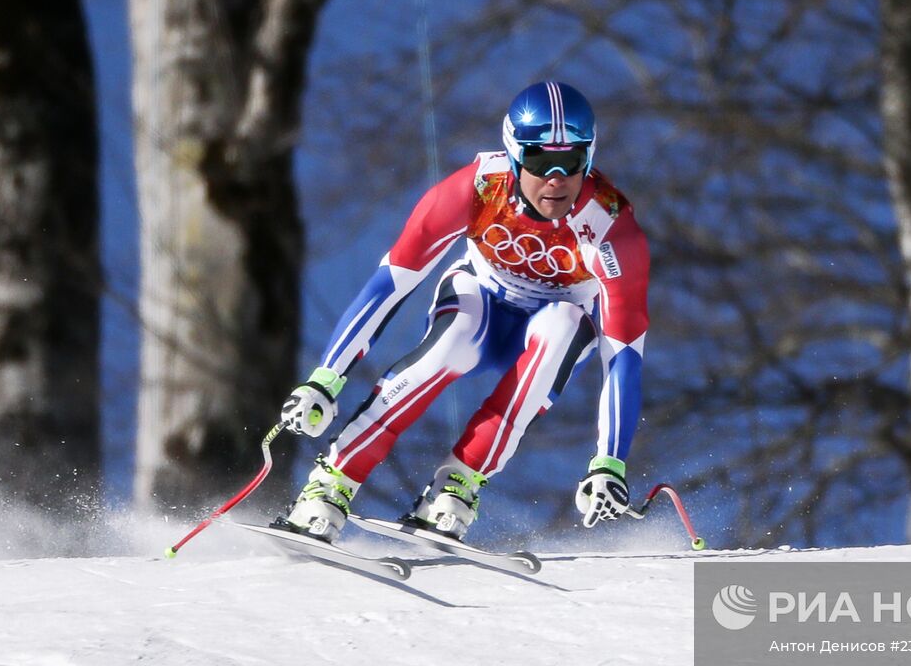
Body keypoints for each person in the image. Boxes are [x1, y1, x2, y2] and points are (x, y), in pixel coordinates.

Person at [277, 81, 649, 543]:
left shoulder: (610, 228)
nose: (555, 178)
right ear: (513, 155)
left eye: (570, 161)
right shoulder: (477, 188)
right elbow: (392, 282)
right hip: (482, 302)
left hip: (553, 323)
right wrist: (324, 380)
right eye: (537, 160)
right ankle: (332, 482)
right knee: (452, 343)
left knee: (565, 326)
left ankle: (457, 485)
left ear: (588, 159)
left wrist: (609, 462)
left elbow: (624, 352)